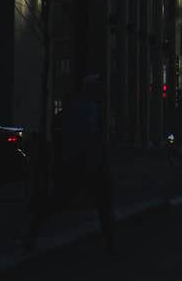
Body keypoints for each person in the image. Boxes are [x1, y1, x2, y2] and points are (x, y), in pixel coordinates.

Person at [24, 74, 114, 254]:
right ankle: (110, 245)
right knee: (98, 203)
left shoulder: (78, 107)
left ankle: (32, 233)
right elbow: (89, 138)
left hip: (76, 163)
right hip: (84, 164)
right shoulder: (89, 109)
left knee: (61, 201)